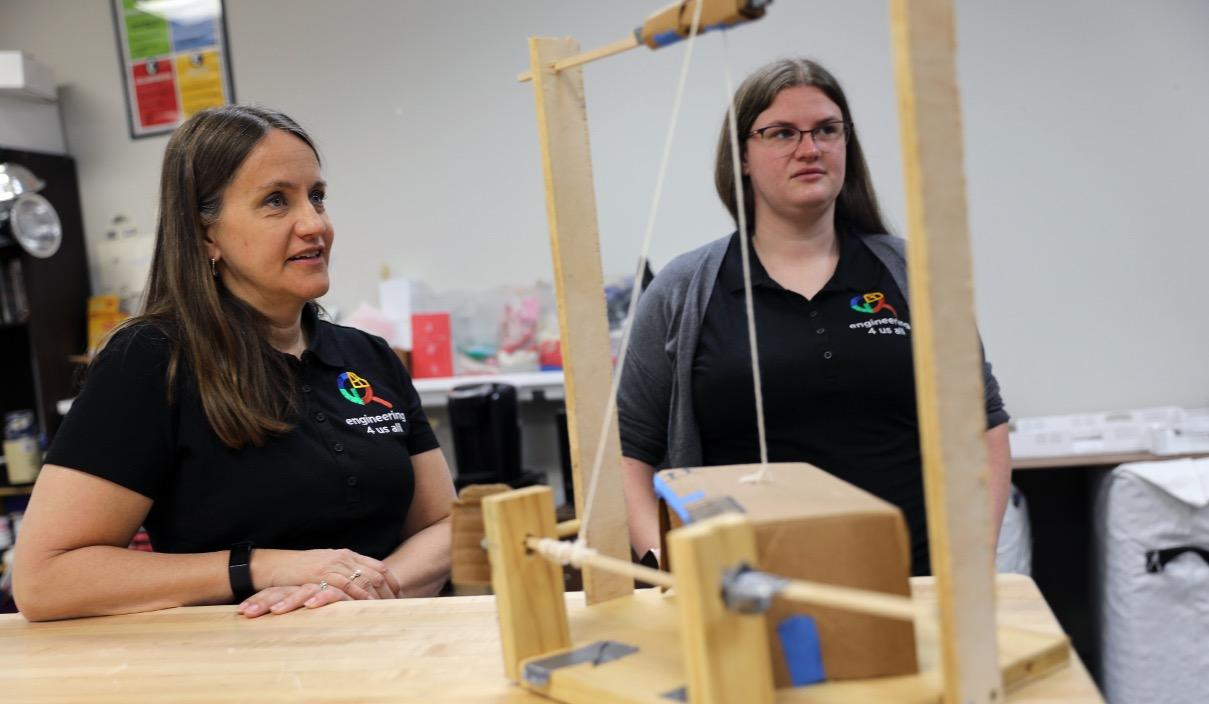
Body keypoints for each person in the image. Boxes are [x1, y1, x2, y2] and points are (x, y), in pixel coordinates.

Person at [13, 106, 455, 621]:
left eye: (317, 197)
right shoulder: (152, 360)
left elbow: (445, 526)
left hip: (391, 654)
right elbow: (45, 580)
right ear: (206, 235)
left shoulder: (368, 356)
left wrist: (362, 589)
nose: (314, 224)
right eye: (275, 201)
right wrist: (258, 568)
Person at [617, 59, 1011, 575]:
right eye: (782, 133)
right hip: (744, 600)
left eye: (827, 130)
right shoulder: (684, 289)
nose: (810, 149)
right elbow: (626, 451)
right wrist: (666, 564)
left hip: (913, 584)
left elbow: (985, 427)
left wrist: (971, 562)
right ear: (741, 157)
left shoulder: (913, 273)